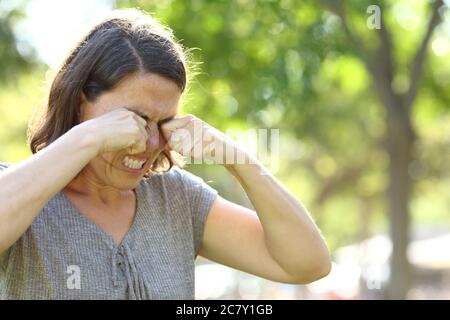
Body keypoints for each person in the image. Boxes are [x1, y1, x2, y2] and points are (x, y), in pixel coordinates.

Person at [0, 9, 330, 300]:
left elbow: (308, 263)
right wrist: (86, 138)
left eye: (163, 122)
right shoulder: (21, 193)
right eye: (133, 119)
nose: (148, 142)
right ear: (81, 101)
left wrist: (237, 159)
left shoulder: (177, 199)